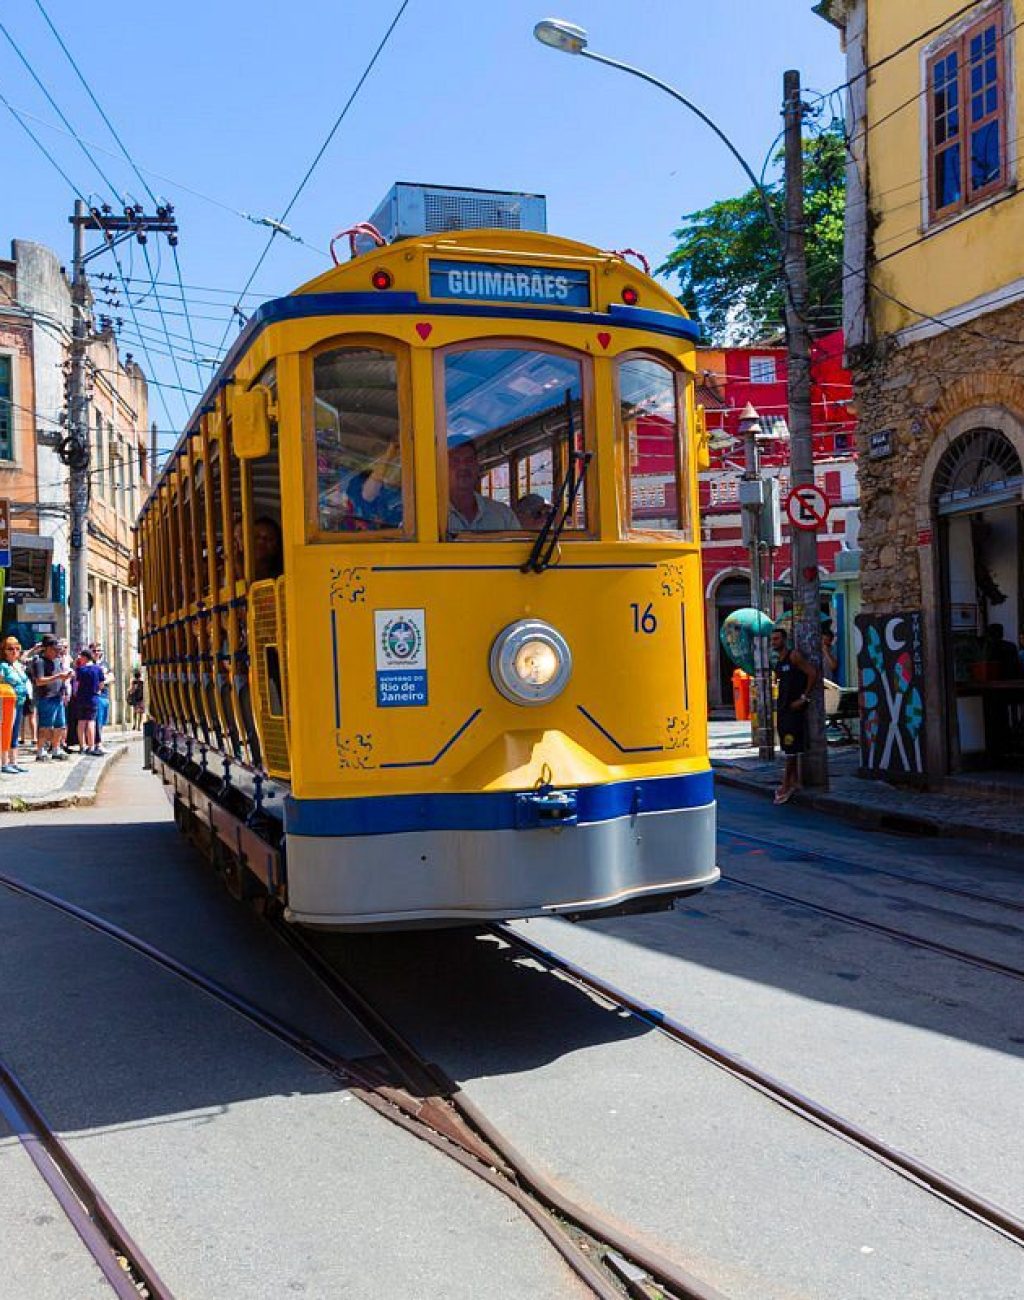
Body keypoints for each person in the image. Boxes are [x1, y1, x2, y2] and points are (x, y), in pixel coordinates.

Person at [770, 625, 818, 805]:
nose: (774, 642)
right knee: (789, 746)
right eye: (772, 639)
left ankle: (785, 785)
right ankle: (795, 781)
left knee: (791, 749)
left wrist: (803, 698)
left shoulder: (794, 656)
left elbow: (812, 673)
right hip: (783, 710)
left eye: (777, 639)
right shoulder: (778, 662)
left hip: (793, 711)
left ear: (784, 640)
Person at [447, 442, 519, 533]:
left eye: (469, 460)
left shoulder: (503, 515)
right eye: (455, 461)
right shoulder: (430, 517)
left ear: (477, 467)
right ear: (443, 468)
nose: (463, 466)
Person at [28, 634, 73, 761]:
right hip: (46, 697)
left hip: (58, 696)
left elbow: (60, 676)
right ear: (46, 648)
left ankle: (56, 748)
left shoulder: (57, 660)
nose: (57, 652)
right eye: (54, 649)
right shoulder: (39, 661)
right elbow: (39, 681)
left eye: (58, 649)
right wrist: (58, 677)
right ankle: (40, 750)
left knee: (60, 725)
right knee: (45, 726)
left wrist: (65, 679)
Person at [0, 637, 30, 774]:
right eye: (10, 649)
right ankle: (4, 762)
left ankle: (14, 761)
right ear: (4, 651)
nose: (14, 651)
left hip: (19, 702)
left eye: (17, 648)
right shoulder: (3, 666)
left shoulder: (18, 665)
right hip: (7, 703)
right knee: (6, 731)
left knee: (15, 732)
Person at [75, 648, 105, 755]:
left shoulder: (80, 670)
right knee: (91, 722)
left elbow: (77, 684)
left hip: (81, 698)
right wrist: (97, 690)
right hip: (93, 698)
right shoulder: (98, 669)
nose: (79, 659)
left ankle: (82, 746)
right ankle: (91, 746)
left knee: (81, 722)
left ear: (85, 657)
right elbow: (101, 684)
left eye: (81, 657)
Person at [253, 516, 284, 581]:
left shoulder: (280, 579)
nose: (261, 541)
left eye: (269, 539)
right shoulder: (232, 570)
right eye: (256, 536)